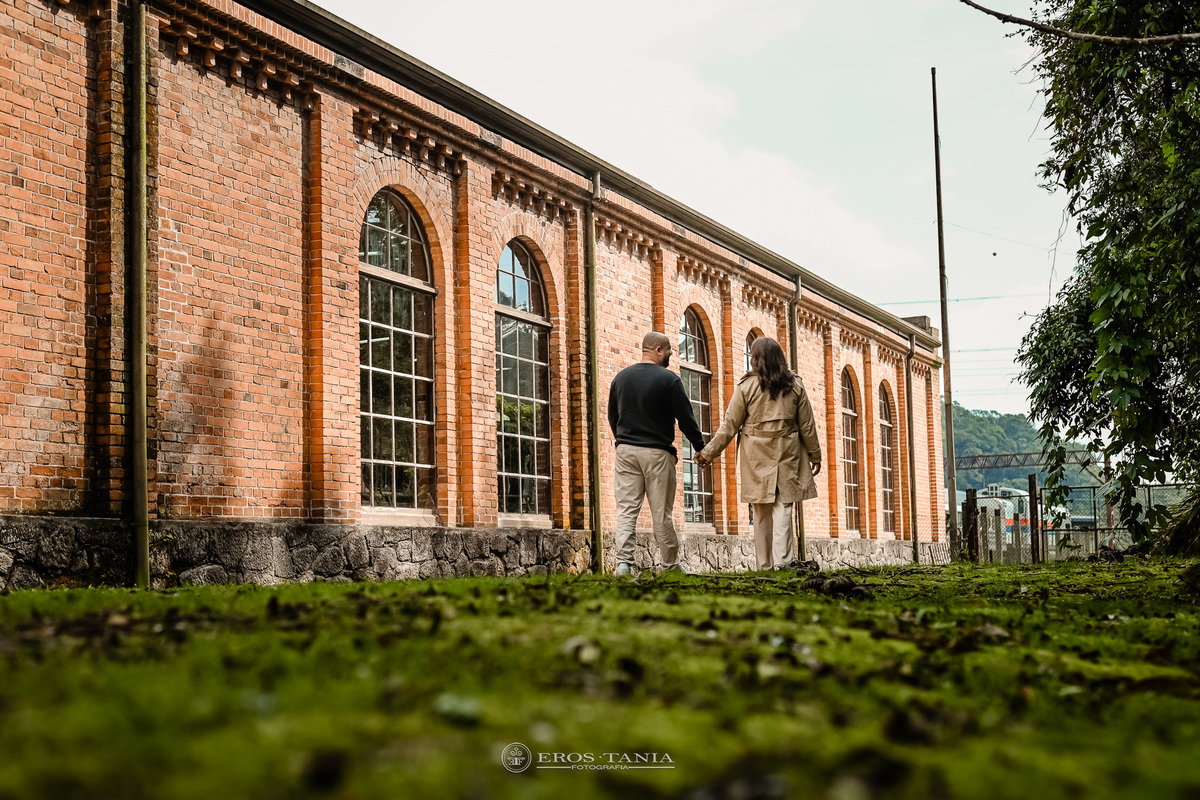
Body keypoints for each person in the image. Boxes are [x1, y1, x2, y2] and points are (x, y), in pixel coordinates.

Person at [694, 337, 821, 570]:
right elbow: (807, 425)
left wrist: (708, 453)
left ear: (755, 359)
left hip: (756, 458)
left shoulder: (746, 387)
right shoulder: (795, 385)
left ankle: (765, 565)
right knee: (784, 508)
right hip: (788, 454)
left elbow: (729, 426)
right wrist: (815, 454)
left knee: (761, 512)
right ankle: (784, 563)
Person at [608, 331, 707, 575]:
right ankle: (670, 565)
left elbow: (613, 416)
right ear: (658, 350)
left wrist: (623, 440)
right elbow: (686, 419)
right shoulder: (669, 380)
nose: (671, 354)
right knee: (661, 513)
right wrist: (700, 447)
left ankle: (623, 565)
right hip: (657, 454)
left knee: (626, 511)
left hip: (626, 451)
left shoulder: (621, 378)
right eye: (669, 350)